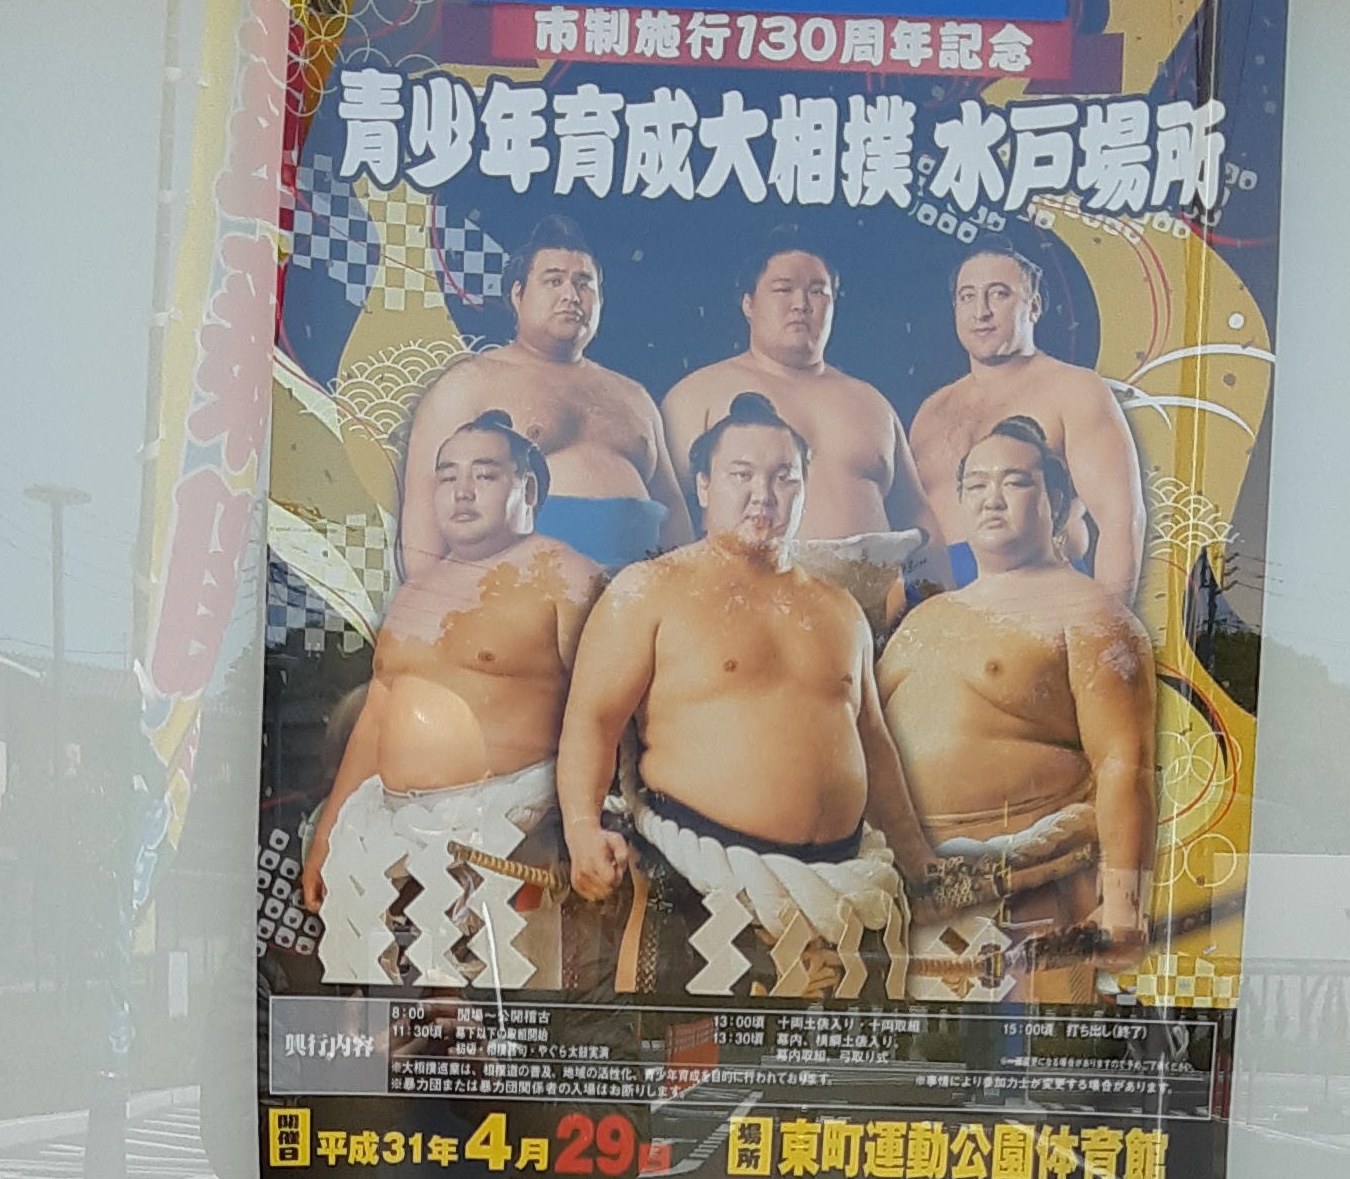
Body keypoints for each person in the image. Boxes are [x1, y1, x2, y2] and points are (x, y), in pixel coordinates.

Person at [555, 396, 942, 1002]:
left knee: (838, 1066)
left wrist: (917, 860)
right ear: (705, 486)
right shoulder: (650, 591)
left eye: (784, 477)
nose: (763, 494)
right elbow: (593, 720)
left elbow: (873, 744)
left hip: (844, 894)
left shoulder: (839, 609)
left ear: (804, 488)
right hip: (699, 887)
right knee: (692, 1062)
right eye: (741, 474)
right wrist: (581, 827)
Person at [299, 414, 605, 989]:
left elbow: (603, 713)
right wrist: (327, 837)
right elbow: (377, 716)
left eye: (484, 475)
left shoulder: (564, 578)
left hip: (514, 838)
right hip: (390, 840)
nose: (462, 491)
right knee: (408, 1016)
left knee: (514, 1004)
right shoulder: (415, 594)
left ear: (527, 490)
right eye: (447, 477)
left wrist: (586, 827)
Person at [880, 420, 1155, 1005]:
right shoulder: (924, 619)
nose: (992, 498)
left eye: (1015, 481)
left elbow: (1123, 763)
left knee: (1038, 1053)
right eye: (977, 485)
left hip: (1037, 888)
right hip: (905, 894)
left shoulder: (1090, 614)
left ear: (1058, 501)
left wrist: (1125, 903)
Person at [658, 240, 930, 641]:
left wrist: (940, 615)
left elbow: (919, 518)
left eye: (818, 291)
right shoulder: (696, 395)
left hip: (876, 622)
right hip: (744, 619)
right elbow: (667, 517)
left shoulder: (872, 403)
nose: (801, 304)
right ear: (748, 303)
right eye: (783, 289)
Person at [392, 217, 686, 585]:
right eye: (554, 281)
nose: (571, 296)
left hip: (635, 601)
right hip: (517, 598)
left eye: (584, 283)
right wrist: (438, 604)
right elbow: (423, 531)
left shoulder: (634, 397)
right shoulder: (469, 385)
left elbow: (675, 518)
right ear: (518, 295)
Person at [907, 236, 1147, 606]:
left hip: (1043, 599)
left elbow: (1121, 520)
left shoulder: (1074, 389)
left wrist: (1108, 629)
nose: (981, 311)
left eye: (999, 294)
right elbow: (918, 532)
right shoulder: (932, 411)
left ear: (1033, 306)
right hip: (946, 610)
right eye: (968, 297)